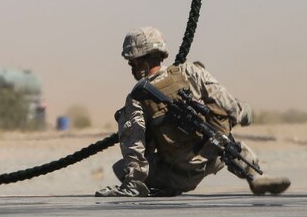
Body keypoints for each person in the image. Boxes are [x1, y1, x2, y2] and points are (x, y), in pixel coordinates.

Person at [96, 26, 291, 197]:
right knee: (230, 142)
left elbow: (134, 144)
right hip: (215, 157)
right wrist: (242, 113)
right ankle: (256, 176)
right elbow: (228, 104)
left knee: (120, 167)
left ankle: (165, 188)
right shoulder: (189, 72)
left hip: (178, 174)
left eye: (132, 62)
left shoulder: (137, 98)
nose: (131, 67)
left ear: (140, 61)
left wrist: (134, 181)